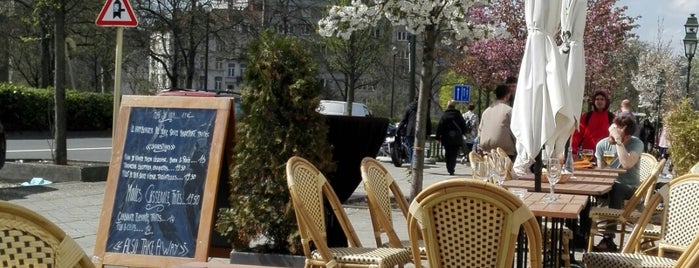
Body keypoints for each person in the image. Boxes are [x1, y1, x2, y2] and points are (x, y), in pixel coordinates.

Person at [592, 114, 644, 251]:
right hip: (606, 187)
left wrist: (619, 141)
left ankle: (608, 238)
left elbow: (627, 164)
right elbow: (600, 173)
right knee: (586, 192)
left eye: (617, 132)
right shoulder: (602, 145)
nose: (613, 134)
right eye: (613, 130)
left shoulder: (636, 143)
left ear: (626, 136)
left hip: (630, 188)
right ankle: (583, 234)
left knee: (617, 187)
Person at [571, 90, 615, 157]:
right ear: (594, 102)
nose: (599, 101)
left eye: (602, 99)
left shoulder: (612, 117)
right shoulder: (586, 116)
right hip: (588, 154)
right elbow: (577, 135)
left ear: (606, 102)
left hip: (606, 155)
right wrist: (574, 151)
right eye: (597, 99)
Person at [478, 84, 516, 161]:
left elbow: (480, 131)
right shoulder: (509, 111)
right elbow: (515, 132)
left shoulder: (486, 111)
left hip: (486, 148)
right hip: (505, 150)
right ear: (507, 95)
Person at [436, 100, 468, 175]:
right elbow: (463, 126)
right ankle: (451, 168)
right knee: (454, 153)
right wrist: (463, 133)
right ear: (454, 106)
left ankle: (448, 167)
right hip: (456, 138)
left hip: (446, 137)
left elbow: (440, 127)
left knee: (447, 153)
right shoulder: (458, 115)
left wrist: (437, 137)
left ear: (448, 106)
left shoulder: (444, 115)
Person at [397, 98, 431, 165]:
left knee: (411, 148)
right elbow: (428, 121)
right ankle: (415, 164)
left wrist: (398, 130)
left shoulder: (409, 108)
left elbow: (403, 120)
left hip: (410, 131)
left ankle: (412, 164)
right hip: (421, 131)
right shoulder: (424, 108)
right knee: (419, 149)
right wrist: (428, 133)